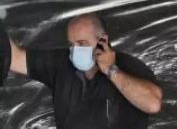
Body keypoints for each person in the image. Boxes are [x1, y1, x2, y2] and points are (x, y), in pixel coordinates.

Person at [6, 13, 163, 128]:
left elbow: (153, 104)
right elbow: (14, 59)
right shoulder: (61, 64)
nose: (75, 50)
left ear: (103, 41)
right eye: (71, 44)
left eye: (82, 43)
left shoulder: (130, 66)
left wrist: (111, 70)